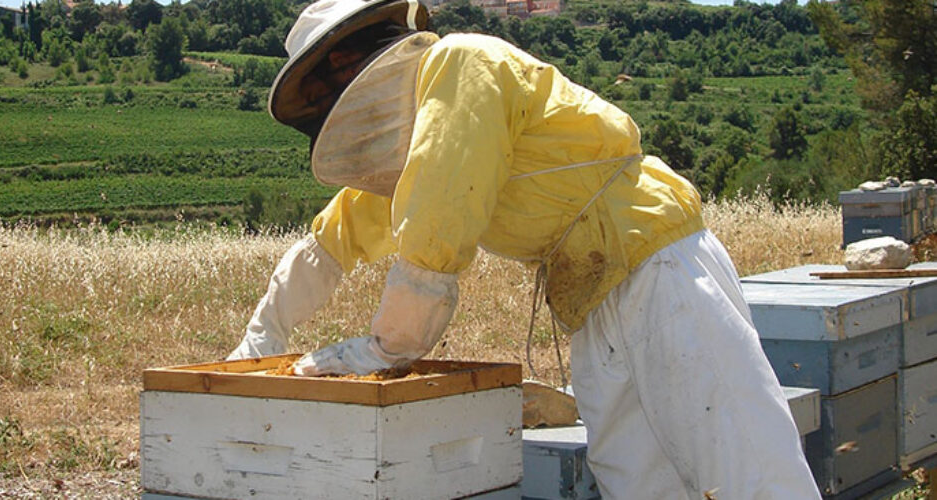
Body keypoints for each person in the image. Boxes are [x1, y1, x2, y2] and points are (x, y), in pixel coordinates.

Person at [228, 0, 822, 497]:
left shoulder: (461, 65)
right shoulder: (421, 134)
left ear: (346, 61)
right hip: (592, 298)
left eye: (325, 90)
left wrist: (387, 347)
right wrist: (261, 338)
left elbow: (439, 221)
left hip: (657, 267)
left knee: (745, 467)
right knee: (637, 480)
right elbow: (333, 241)